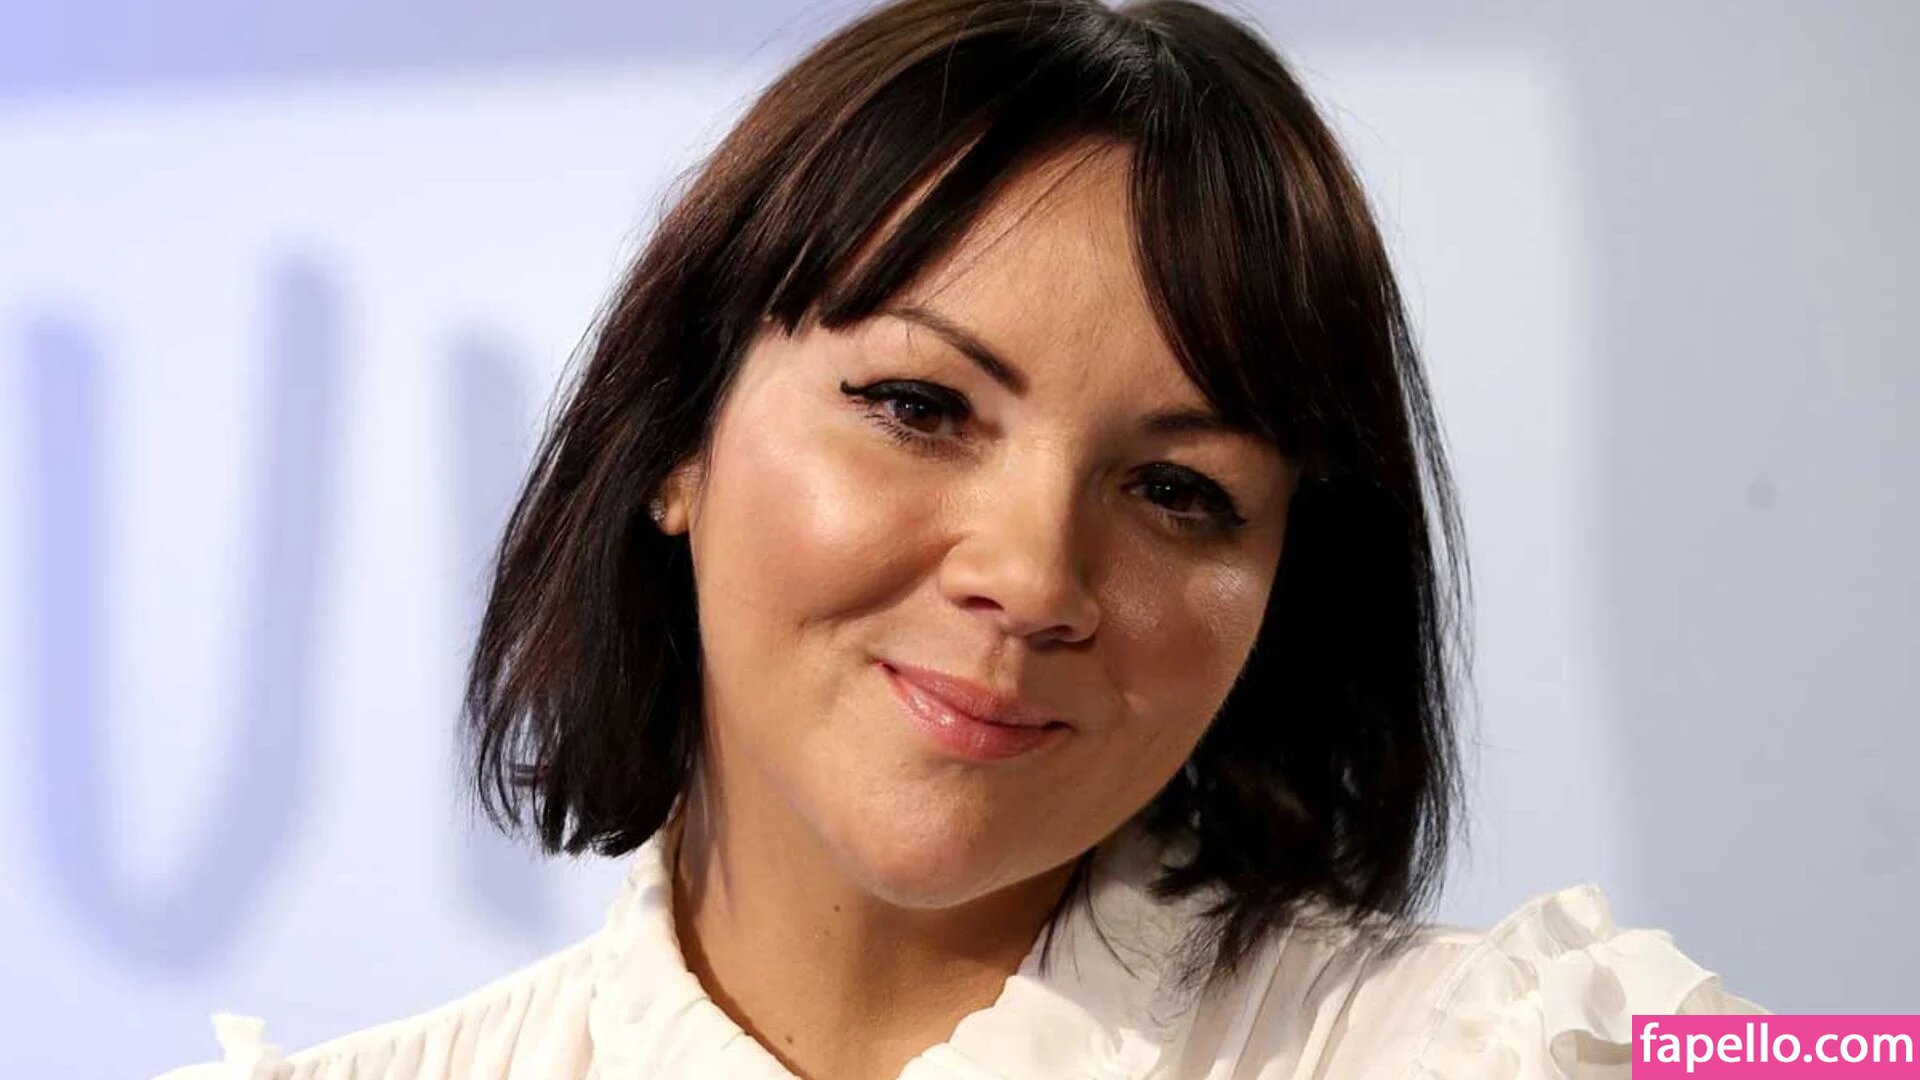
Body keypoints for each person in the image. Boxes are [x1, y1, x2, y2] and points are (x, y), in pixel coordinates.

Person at [157, 1, 1763, 1077]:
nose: (1034, 577)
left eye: (1178, 490)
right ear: (675, 438)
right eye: (920, 407)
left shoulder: (1538, 1049)